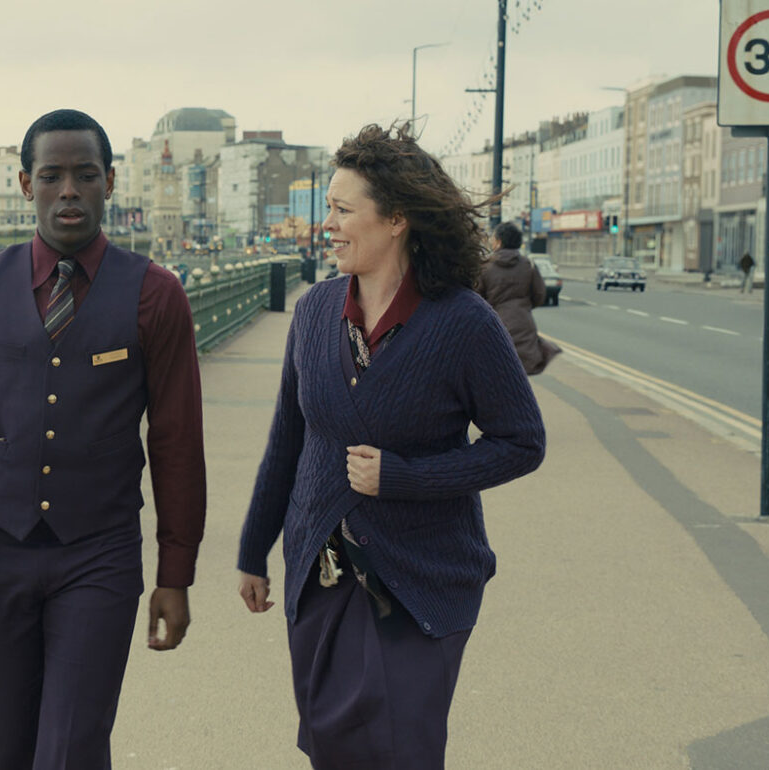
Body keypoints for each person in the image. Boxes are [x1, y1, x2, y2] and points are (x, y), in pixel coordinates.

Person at [235, 123, 546, 769]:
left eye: (343, 211)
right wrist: (251, 551)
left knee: (403, 749)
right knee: (333, 746)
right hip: (321, 572)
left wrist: (406, 476)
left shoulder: (463, 321)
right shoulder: (314, 311)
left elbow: (522, 443)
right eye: (329, 208)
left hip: (421, 579)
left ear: (397, 219)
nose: (328, 225)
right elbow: (287, 440)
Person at [0, 108, 208, 769]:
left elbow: (177, 444)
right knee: (4, 745)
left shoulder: (155, 295)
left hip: (100, 554)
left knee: (72, 748)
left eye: (85, 175)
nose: (68, 191)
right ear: (27, 184)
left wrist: (175, 574)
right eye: (51, 176)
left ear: (110, 181)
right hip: (4, 551)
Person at [479, 221, 562, 375]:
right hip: (524, 325)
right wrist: (523, 307)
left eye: (493, 238)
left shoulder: (485, 267)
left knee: (497, 372)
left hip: (495, 327)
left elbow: (477, 299)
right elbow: (539, 295)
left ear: (499, 242)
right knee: (521, 374)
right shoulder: (528, 265)